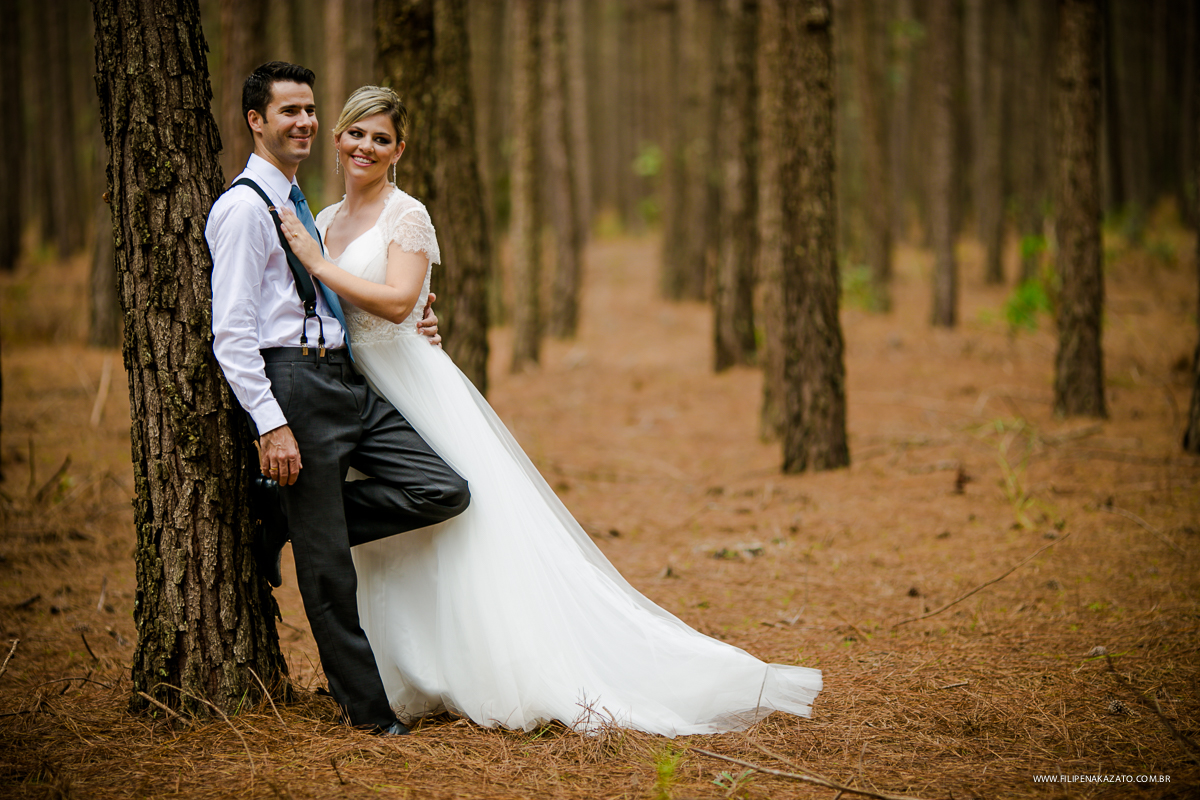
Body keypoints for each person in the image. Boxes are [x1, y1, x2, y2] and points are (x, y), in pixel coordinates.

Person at [276, 84, 822, 737]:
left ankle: (489, 665)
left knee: (455, 519)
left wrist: (321, 265)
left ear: (400, 149)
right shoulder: (325, 217)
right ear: (338, 138)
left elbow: (396, 302)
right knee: (395, 549)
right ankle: (408, 672)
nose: (366, 146)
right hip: (348, 391)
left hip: (412, 390)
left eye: (381, 137)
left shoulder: (407, 214)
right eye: (356, 133)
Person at [206, 62, 470, 737]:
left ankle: (294, 520)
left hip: (350, 378)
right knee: (330, 574)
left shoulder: (303, 207)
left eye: (309, 110)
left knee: (442, 488)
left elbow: (345, 293)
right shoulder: (243, 208)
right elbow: (233, 334)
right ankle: (370, 714)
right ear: (255, 121)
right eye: (287, 111)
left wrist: (414, 321)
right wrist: (270, 424)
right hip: (296, 384)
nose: (303, 121)